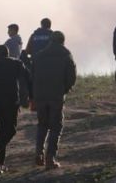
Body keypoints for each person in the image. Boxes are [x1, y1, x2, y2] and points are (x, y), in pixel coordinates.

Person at [0, 45, 32, 174]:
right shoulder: (17, 63)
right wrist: (30, 96)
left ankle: (0, 164)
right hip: (11, 101)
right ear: (7, 54)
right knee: (11, 130)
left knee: (3, 130)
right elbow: (28, 77)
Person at [32, 31, 76, 170]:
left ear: (50, 41)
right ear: (63, 41)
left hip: (40, 96)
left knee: (42, 125)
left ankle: (39, 153)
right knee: (56, 126)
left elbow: (32, 75)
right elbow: (72, 77)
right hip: (56, 96)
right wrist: (65, 89)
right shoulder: (66, 55)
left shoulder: (39, 55)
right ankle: (50, 158)